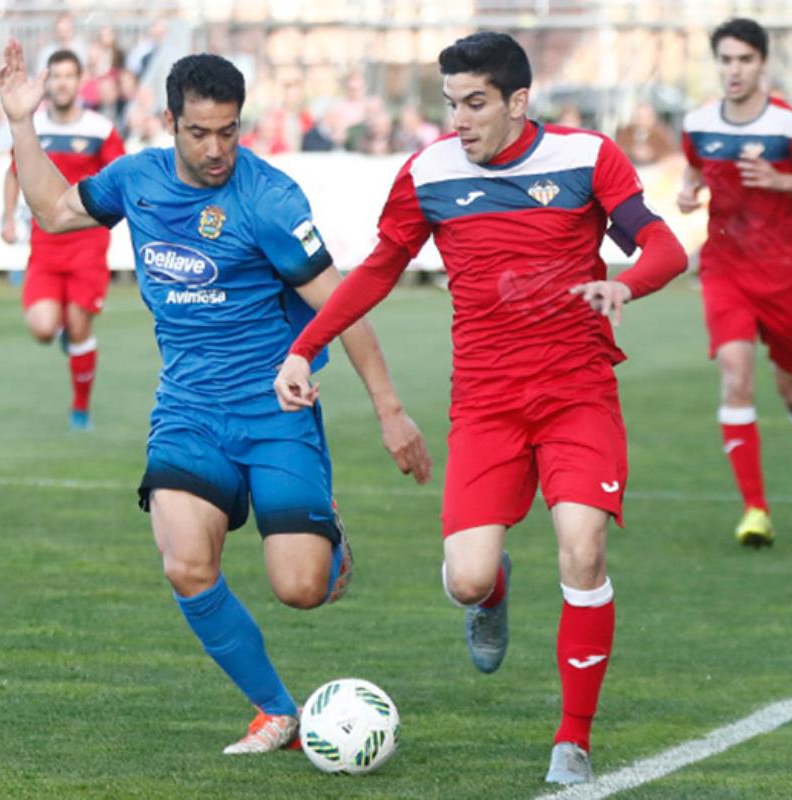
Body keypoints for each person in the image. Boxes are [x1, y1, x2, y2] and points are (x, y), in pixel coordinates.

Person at [272, 31, 687, 785]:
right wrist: (304, 347)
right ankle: (491, 592)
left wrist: (625, 282)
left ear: (518, 101)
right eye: (451, 104)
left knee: (583, 549)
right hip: (487, 403)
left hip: (577, 392)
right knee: (466, 577)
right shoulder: (428, 173)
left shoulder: (586, 159)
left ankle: (573, 740)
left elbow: (665, 248)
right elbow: (376, 272)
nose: (458, 121)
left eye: (474, 104)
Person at [0, 39, 431, 754]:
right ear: (170, 122)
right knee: (185, 563)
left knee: (300, 587)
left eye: (228, 131)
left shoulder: (268, 199)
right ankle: (276, 712)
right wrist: (21, 122)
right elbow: (52, 211)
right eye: (199, 132)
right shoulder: (136, 180)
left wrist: (390, 411)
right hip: (189, 409)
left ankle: (329, 543)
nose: (216, 149)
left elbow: (344, 306)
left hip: (274, 408)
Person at [678, 18, 792, 549]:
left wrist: (783, 180)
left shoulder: (791, 126)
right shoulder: (698, 123)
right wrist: (688, 192)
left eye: (744, 60)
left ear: (762, 65)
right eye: (726, 60)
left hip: (787, 277)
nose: (734, 70)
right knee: (735, 375)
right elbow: (694, 169)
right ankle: (755, 510)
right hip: (725, 269)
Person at [0, 50, 125, 430]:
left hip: (88, 245)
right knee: (42, 328)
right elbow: (15, 171)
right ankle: (65, 336)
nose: (62, 83)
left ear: (79, 81)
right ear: (47, 82)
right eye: (55, 76)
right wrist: (8, 216)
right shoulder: (33, 126)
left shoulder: (100, 129)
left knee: (78, 325)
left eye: (69, 75)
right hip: (45, 246)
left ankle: (80, 409)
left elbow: (120, 176)